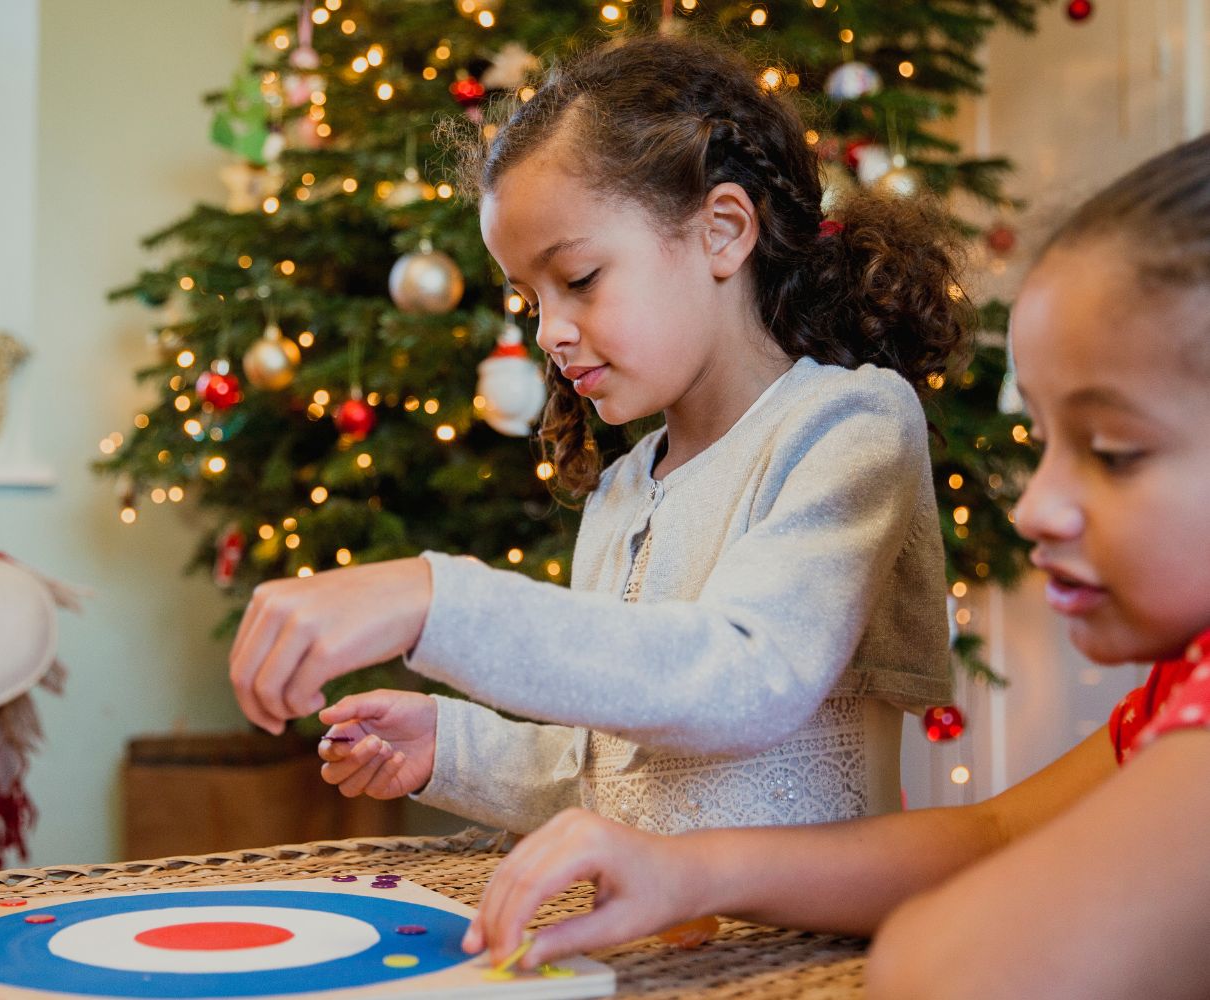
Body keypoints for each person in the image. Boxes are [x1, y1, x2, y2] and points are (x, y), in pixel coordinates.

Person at [462, 134, 1210, 1000]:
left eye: (1113, 451)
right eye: (1045, 445)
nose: (1037, 507)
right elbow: (1000, 832)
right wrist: (696, 873)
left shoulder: (846, 418)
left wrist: (441, 603)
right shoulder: (1170, 701)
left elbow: (945, 968)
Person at [229, 33, 969, 837]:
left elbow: (744, 676)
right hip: (650, 949)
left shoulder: (850, 424)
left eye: (579, 279)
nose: (550, 331)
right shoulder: (623, 490)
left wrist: (435, 598)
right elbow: (609, 775)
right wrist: (451, 747)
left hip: (800, 954)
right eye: (531, 300)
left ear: (723, 229)